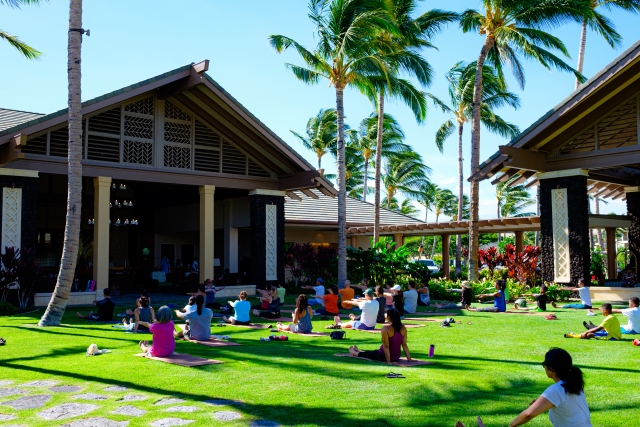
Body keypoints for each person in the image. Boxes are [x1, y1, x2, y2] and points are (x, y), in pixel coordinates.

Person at [507, 348, 591, 426]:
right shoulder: (574, 384)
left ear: (551, 368)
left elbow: (528, 414)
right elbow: (568, 408)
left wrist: (511, 425)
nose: (544, 367)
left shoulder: (556, 389)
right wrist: (544, 403)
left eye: (544, 364)